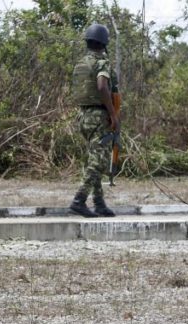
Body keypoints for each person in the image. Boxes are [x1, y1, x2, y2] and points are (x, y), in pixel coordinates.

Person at [69, 23, 118, 218]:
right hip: (98, 116)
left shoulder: (81, 63)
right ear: (104, 43)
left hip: (83, 116)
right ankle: (79, 201)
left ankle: (99, 203)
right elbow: (102, 86)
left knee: (94, 159)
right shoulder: (101, 62)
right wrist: (113, 114)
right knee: (98, 161)